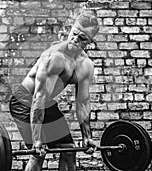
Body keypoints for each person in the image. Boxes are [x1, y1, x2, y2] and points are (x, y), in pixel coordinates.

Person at [9, 11, 99, 171]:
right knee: (38, 154)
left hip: (46, 102)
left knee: (70, 150)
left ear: (89, 42)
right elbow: (38, 97)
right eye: (74, 34)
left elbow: (83, 102)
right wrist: (37, 139)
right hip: (23, 101)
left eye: (82, 38)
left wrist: (87, 138)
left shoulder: (85, 66)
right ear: (71, 30)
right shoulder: (54, 58)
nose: (75, 40)